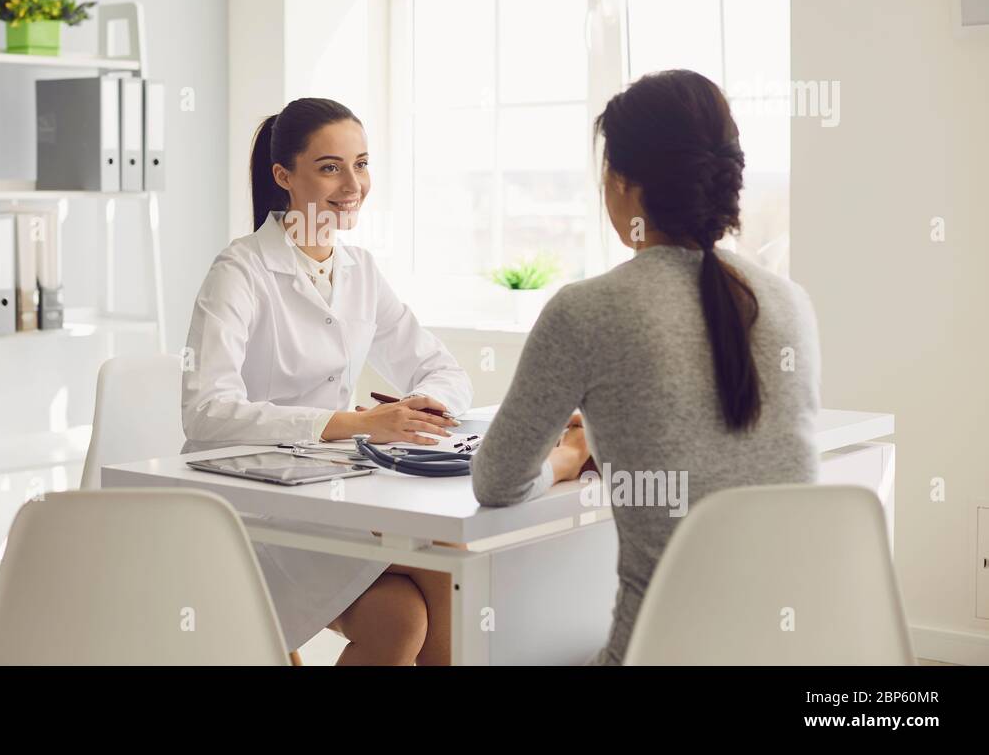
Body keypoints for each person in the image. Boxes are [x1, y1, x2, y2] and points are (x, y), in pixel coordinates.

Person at [472, 69, 821, 665]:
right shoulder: (790, 301)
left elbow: (497, 481)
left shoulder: (587, 310)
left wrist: (568, 458)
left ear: (624, 185)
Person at [182, 97, 473, 664]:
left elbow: (443, 368)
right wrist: (355, 423)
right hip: (248, 510)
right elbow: (206, 412)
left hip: (332, 496)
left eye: (361, 164)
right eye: (330, 167)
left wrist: (424, 405)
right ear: (283, 176)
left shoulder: (360, 270)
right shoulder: (238, 271)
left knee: (399, 617)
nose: (353, 184)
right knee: (444, 560)